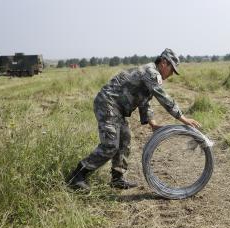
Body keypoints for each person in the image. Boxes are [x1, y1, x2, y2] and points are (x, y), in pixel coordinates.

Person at [66, 48, 201, 192]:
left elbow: (145, 101)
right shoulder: (152, 72)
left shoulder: (151, 73)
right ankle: (78, 176)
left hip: (116, 108)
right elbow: (163, 98)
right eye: (171, 69)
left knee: (125, 139)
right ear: (163, 63)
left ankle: (117, 179)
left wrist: (152, 123)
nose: (171, 74)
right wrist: (183, 118)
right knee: (111, 144)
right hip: (108, 103)